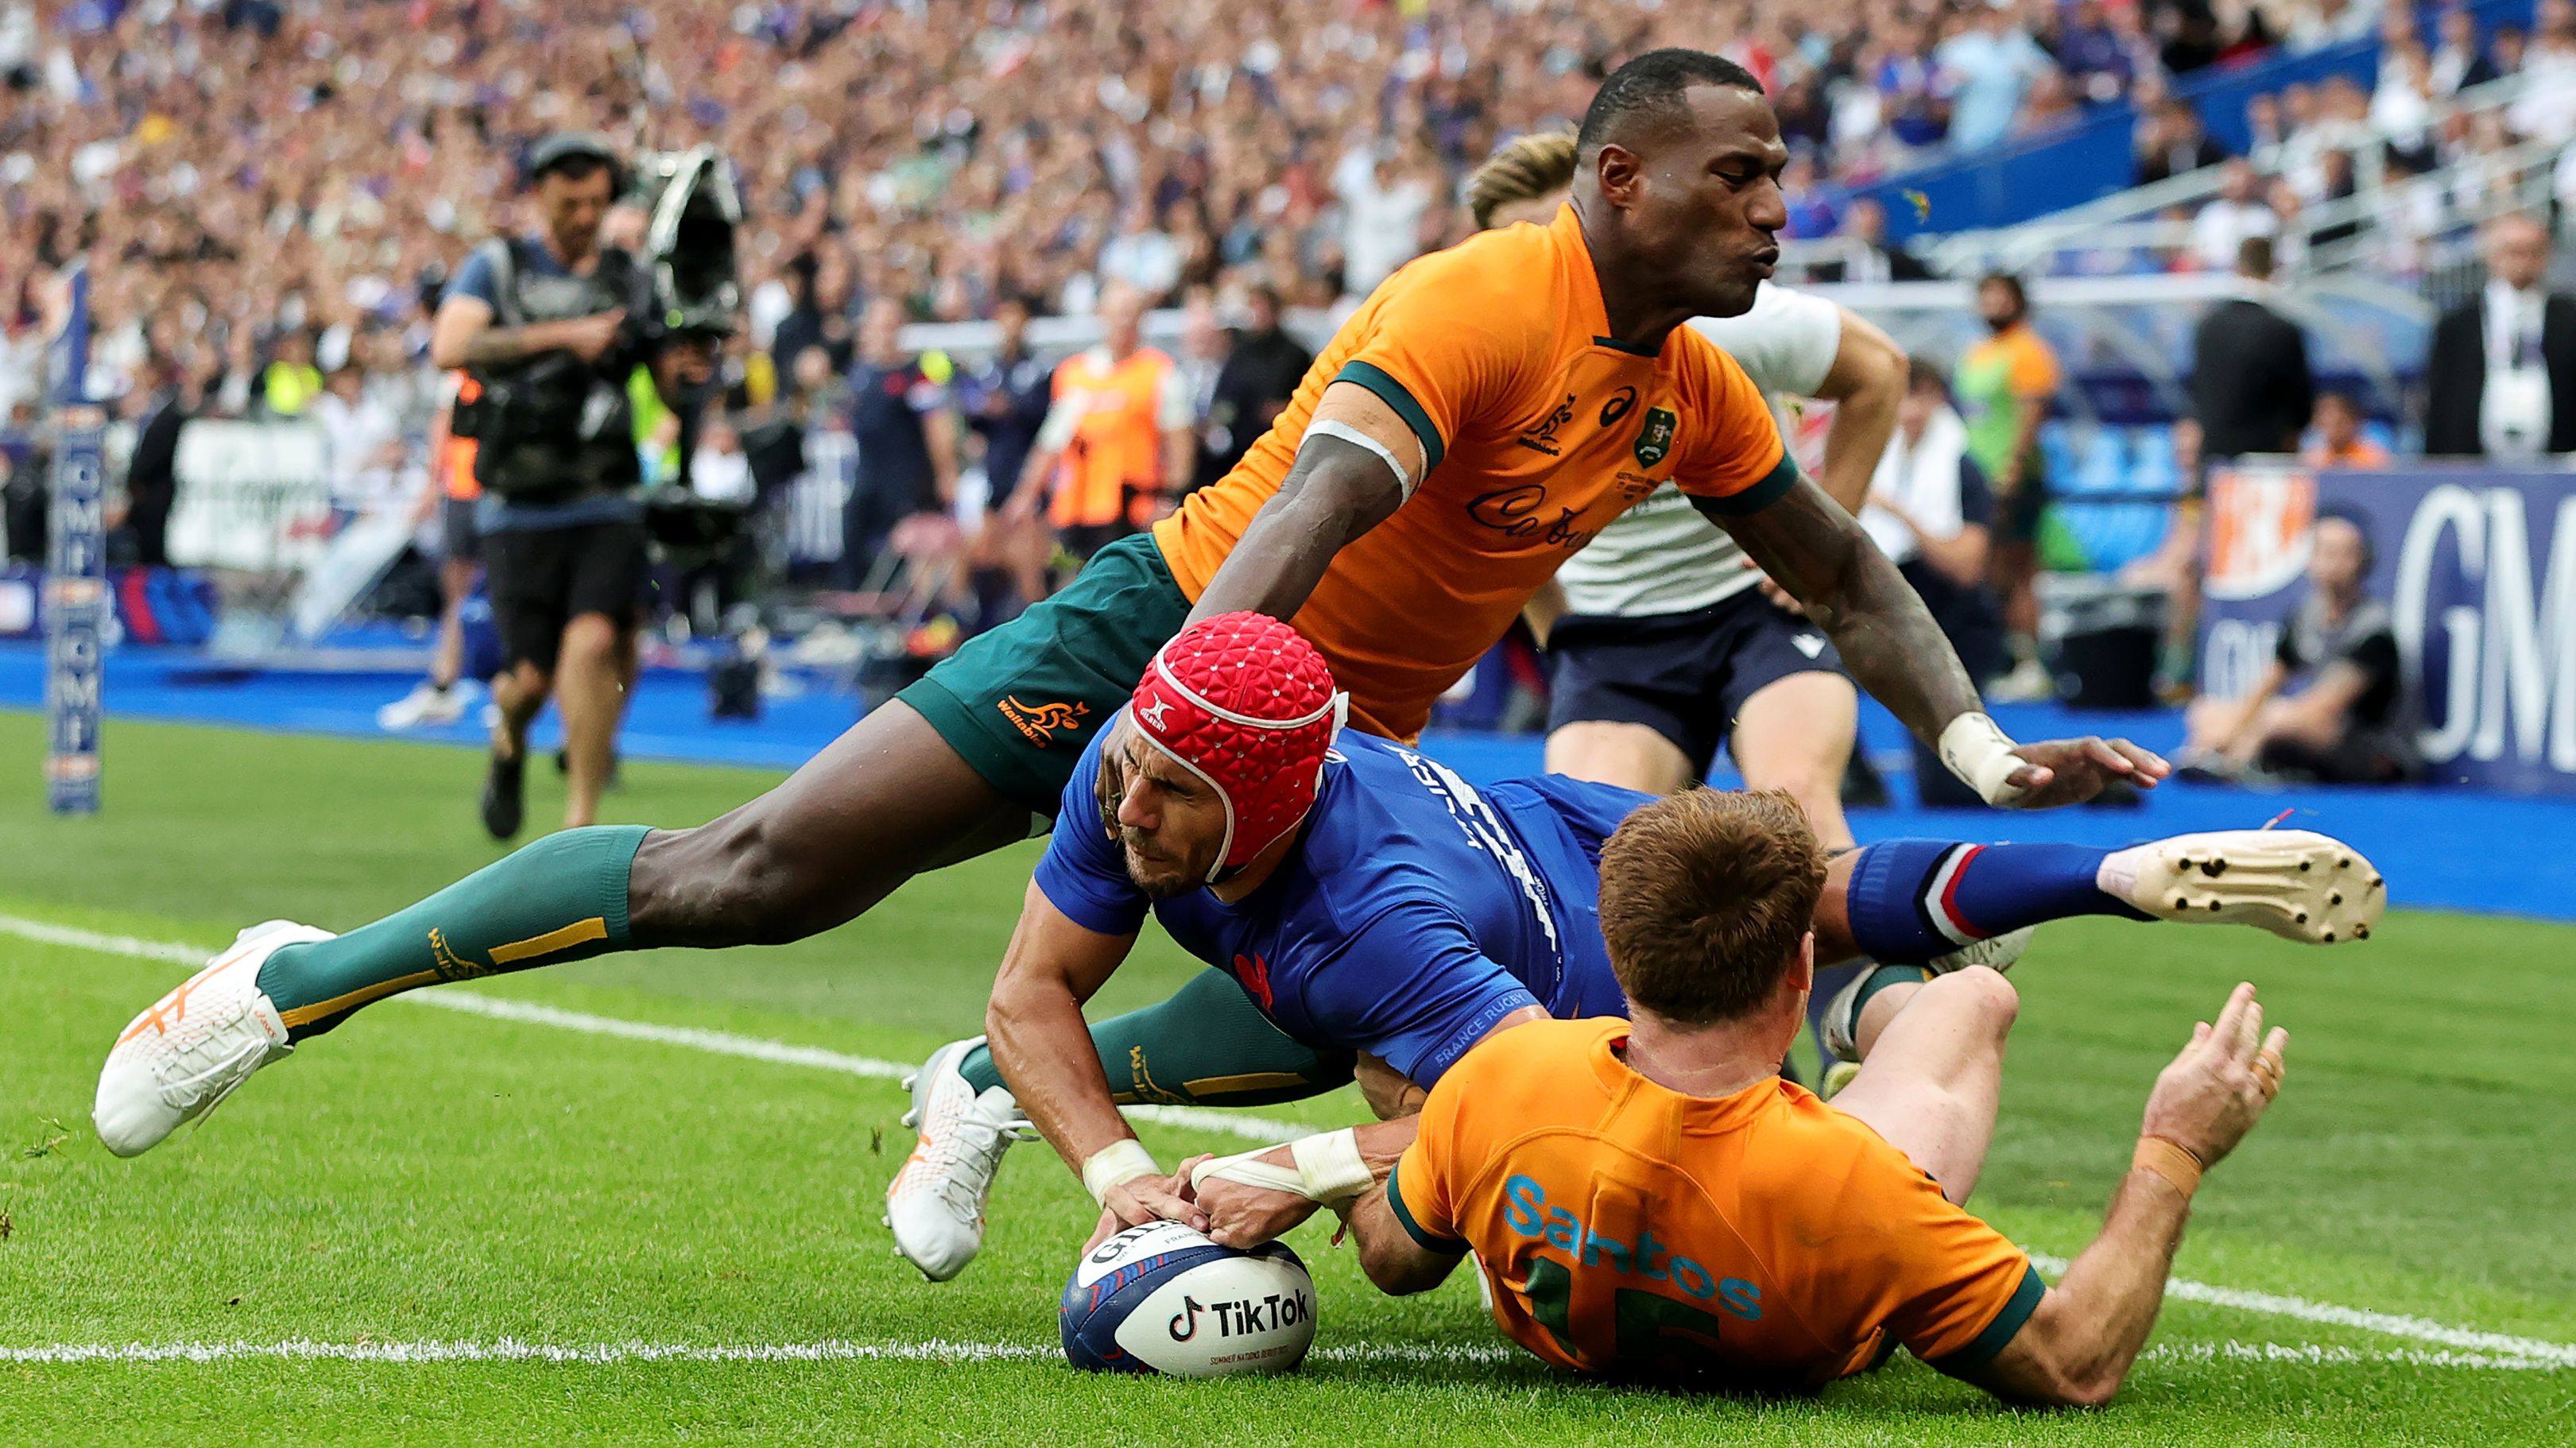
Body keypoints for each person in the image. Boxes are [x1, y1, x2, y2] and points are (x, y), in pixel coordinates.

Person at [93, 51, 2167, 1168]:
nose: (1776, 208)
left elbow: (1846, 570)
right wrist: (1170, 722)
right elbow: (1319, 505)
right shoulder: (1478, 297)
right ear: (1620, 185)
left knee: (1355, 1006)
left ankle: (997, 1089)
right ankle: (292, 979)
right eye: (1739, 176)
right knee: (761, 873)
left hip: (1338, 746)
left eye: (1780, 173)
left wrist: (1980, 747)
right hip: (1163, 640)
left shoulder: (1691, 382)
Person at [913, 615, 2372, 1287]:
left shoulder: (1385, 932)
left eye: (1170, 788)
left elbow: (1516, 1100)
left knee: (1403, 1232)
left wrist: (1287, 1176)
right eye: (1135, 771)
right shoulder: (1140, 754)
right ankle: (2052, 909)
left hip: (1528, 970)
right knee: (1816, 881)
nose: (1126, 804)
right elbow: (1036, 975)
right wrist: (1121, 1188)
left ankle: (1952, 990)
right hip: (1553, 838)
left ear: (1278, 792)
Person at [1195, 789, 2297, 1404]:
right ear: (1795, 968)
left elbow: (1395, 1261)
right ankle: (1882, 1008)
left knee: (1409, 1085)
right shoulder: (1858, 1184)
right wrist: (2175, 1145)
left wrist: (1325, 1168)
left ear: (1616, 959)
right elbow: (2075, 1359)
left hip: (1556, 1274)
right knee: (1970, 1012)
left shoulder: (1497, 1077)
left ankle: (1879, 1019)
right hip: (1809, 1228)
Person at [436, 133, 714, 838]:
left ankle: (580, 826)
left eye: (597, 202)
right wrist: (565, 336)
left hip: (607, 494)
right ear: (540, 196)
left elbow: (664, 368)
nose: (586, 216)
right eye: (571, 203)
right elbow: (452, 346)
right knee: (528, 682)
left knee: (595, 643)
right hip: (518, 501)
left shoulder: (631, 276)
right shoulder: (498, 267)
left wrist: (687, 366)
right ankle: (509, 741)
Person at [2179, 509, 2418, 785]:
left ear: (2363, 562)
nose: (2332, 563)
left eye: (2343, 554)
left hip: (2370, 749)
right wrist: (2229, 725)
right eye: (2324, 552)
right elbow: (2269, 682)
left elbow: (2323, 707)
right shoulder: (2305, 613)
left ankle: (2233, 764)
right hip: (2310, 729)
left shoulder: (2374, 630)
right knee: (2207, 710)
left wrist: (2239, 730)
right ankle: (2207, 755)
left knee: (2281, 718)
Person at [1862, 357, 2007, 801]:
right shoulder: (1873, 456)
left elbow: (1967, 567)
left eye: (1918, 397)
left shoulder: (1963, 468)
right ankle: (1859, 781)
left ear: (1938, 400)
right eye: (1901, 396)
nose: (1908, 410)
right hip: (1897, 622)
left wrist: (1903, 517)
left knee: (1948, 792)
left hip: (1957, 626)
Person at [1001, 281, 1194, 573]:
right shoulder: (1075, 373)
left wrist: (1171, 499)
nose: (1124, 319)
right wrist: (1025, 495)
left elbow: (1180, 445)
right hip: (1075, 511)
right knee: (1068, 588)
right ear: (1102, 315)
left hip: (1133, 512)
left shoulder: (1160, 372)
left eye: (1131, 312)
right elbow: (1052, 442)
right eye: (1117, 312)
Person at [1956, 273, 2061, 699]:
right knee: (1987, 569)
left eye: (2000, 297)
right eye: (1986, 297)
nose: (1992, 305)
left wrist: (2012, 471)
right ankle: (1999, 656)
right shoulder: (1978, 353)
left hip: (2011, 479)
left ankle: (2030, 663)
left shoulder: (2029, 352)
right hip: (1977, 477)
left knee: (2017, 569)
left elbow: (2031, 414)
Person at [2423, 214, 2576, 459]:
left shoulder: (2568, 318)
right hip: (2476, 464)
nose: (2524, 261)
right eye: (2514, 251)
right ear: (2492, 255)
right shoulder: (2458, 324)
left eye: (2533, 251)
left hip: (2557, 461)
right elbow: (2441, 400)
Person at [843, 296, 961, 586]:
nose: (883, 333)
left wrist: (947, 473)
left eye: (890, 327)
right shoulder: (860, 373)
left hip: (907, 480)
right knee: (854, 542)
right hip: (868, 475)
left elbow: (938, 425)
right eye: (878, 326)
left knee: (911, 549)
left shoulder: (916, 374)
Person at [2189, 238, 2314, 461]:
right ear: (2273, 267)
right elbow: (2299, 400)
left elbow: (2198, 389)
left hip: (2217, 455)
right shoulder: (2281, 330)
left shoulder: (2207, 327)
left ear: (2238, 267)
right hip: (2268, 458)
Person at [1200, 284, 1312, 486]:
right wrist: (1219, 423)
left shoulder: (1295, 354)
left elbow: (1312, 396)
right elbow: (1224, 400)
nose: (1257, 313)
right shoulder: (1240, 354)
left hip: (1283, 447)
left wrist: (1287, 409)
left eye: (1262, 306)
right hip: (1240, 450)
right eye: (1253, 306)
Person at [1809, 196, 1933, 283]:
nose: (1868, 224)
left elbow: (1928, 279)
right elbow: (1815, 273)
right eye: (1862, 218)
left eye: (1873, 220)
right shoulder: (1838, 259)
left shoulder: (1893, 256)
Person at [2303, 389, 2392, 467]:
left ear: (2354, 421)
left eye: (2339, 423)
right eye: (2326, 424)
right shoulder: (2312, 460)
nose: (2333, 431)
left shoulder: (2373, 458)